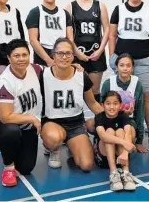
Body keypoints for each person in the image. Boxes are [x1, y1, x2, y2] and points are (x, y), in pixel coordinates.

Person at [109, 0, 149, 147]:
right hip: (123, 61)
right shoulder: (118, 9)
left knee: (147, 96)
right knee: (120, 97)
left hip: (145, 60)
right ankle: (119, 129)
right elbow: (112, 35)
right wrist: (112, 56)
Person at [0, 39, 42, 187]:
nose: (21, 59)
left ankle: (13, 150)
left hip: (25, 125)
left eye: (25, 55)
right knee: (11, 131)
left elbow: (56, 71)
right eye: (16, 56)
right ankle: (8, 167)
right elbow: (5, 117)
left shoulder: (36, 69)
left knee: (26, 168)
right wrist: (33, 119)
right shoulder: (5, 81)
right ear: (9, 58)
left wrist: (75, 66)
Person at [40, 37, 103, 171]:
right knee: (54, 138)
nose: (64, 57)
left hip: (75, 124)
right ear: (53, 55)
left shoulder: (81, 75)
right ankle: (54, 150)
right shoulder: (43, 75)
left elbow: (92, 103)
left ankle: (72, 145)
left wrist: (113, 118)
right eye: (60, 53)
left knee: (86, 166)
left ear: (73, 56)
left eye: (68, 53)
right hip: (52, 123)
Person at [26, 0, 87, 67]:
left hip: (62, 54)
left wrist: (77, 53)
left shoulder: (65, 13)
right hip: (42, 56)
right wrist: (48, 60)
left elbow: (70, 39)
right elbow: (33, 40)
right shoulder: (35, 12)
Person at [65, 0, 110, 103]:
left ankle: (98, 121)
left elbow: (107, 29)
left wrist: (101, 50)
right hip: (77, 53)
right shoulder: (70, 6)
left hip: (96, 53)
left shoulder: (100, 5)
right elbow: (67, 34)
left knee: (95, 91)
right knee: (75, 90)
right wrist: (76, 52)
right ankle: (77, 121)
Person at [96, 53, 147, 153]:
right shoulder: (108, 83)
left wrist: (139, 141)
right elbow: (101, 108)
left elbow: (140, 112)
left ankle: (123, 157)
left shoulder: (137, 84)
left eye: (128, 65)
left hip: (128, 120)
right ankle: (98, 142)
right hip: (109, 119)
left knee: (127, 140)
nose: (125, 68)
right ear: (116, 67)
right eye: (122, 65)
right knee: (108, 139)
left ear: (132, 68)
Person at [94, 91, 137, 191]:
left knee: (121, 131)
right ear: (102, 105)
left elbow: (128, 133)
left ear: (120, 105)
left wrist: (126, 153)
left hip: (121, 157)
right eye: (108, 103)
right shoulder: (99, 116)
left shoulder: (123, 116)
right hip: (103, 157)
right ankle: (113, 173)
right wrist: (124, 143)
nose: (112, 107)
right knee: (109, 131)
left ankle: (126, 173)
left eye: (115, 103)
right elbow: (102, 136)